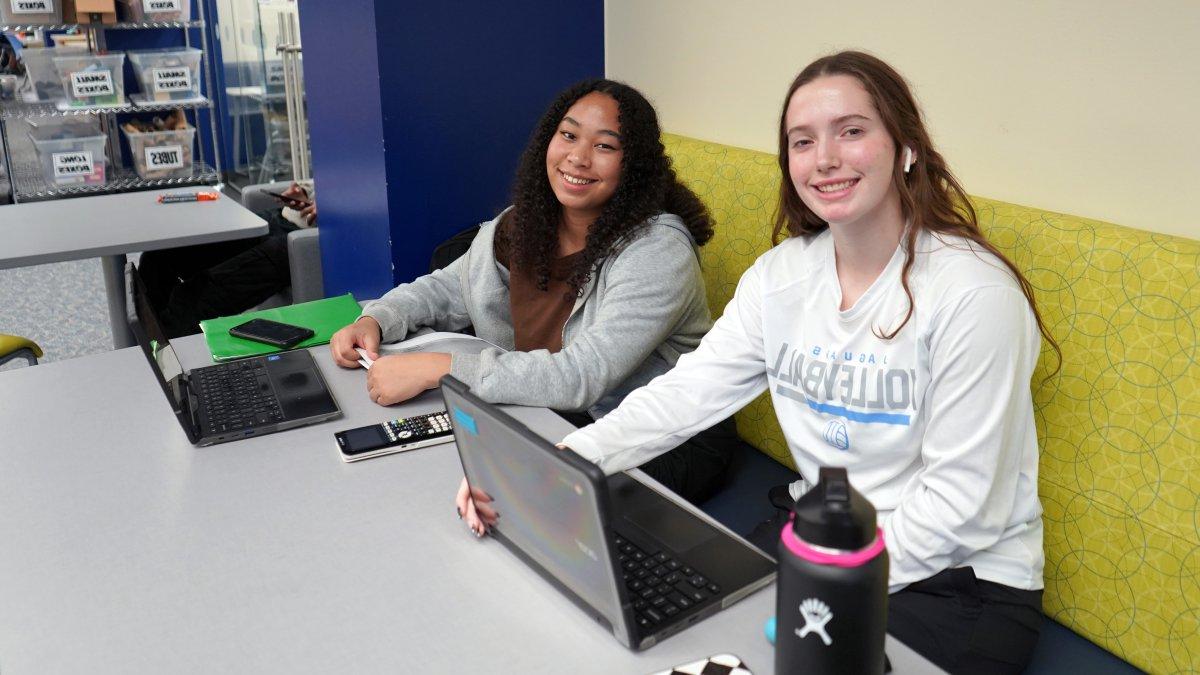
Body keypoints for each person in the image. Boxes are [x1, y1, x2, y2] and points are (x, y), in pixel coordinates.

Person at [535, 52, 1059, 673]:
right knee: (647, 639)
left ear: (907, 146)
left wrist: (820, 585)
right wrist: (553, 472)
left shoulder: (972, 294)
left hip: (957, 583)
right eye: (803, 141)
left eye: (853, 131)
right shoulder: (781, 277)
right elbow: (686, 394)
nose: (826, 158)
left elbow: (963, 507)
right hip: (816, 541)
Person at [329, 79, 744, 505]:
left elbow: (583, 376)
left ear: (633, 164)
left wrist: (439, 369)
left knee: (511, 500)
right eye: (568, 135)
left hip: (666, 438)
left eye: (605, 146)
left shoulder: (657, 250)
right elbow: (450, 286)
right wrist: (376, 318)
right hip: (559, 412)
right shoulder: (527, 222)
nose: (577, 158)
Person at [137, 181, 316, 337]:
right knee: (158, 257)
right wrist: (305, 191)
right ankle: (146, 342)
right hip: (282, 216)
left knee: (190, 300)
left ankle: (166, 359)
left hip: (308, 237)